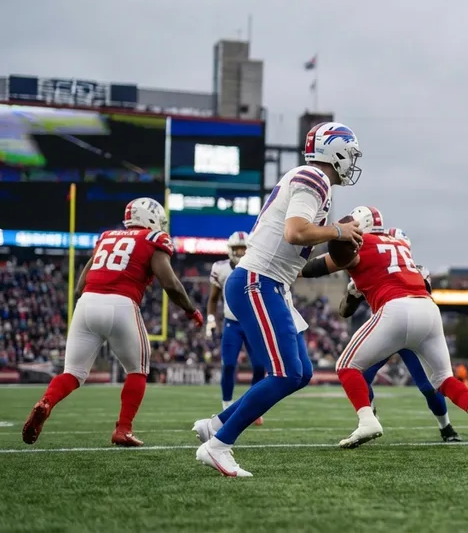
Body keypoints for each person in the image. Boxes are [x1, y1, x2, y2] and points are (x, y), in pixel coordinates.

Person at [192, 121, 363, 477]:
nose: (353, 160)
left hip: (273, 282)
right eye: (350, 152)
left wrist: (343, 252)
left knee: (301, 373)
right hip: (259, 281)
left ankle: (216, 423)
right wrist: (338, 231)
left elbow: (296, 255)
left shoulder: (313, 182)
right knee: (285, 373)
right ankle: (219, 444)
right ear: (336, 150)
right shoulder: (313, 179)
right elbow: (295, 231)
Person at [302, 206, 468, 448]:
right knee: (444, 378)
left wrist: (291, 268)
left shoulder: (361, 245)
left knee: (346, 365)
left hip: (394, 312)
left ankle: (367, 420)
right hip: (427, 310)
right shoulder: (400, 246)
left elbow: (318, 270)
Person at [23, 198, 203, 447]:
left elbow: (79, 287)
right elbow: (170, 283)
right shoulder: (153, 240)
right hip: (121, 304)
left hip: (86, 304)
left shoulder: (106, 237)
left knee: (73, 373)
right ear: (150, 219)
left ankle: (46, 402)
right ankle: (123, 429)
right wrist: (191, 310)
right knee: (138, 369)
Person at [207, 231, 266, 421]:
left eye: (243, 248)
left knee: (259, 366)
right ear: (230, 250)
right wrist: (210, 320)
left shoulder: (257, 267)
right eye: (237, 248)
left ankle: (253, 408)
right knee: (229, 365)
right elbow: (213, 298)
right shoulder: (220, 268)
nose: (240, 252)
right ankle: (227, 407)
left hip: (252, 322)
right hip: (231, 323)